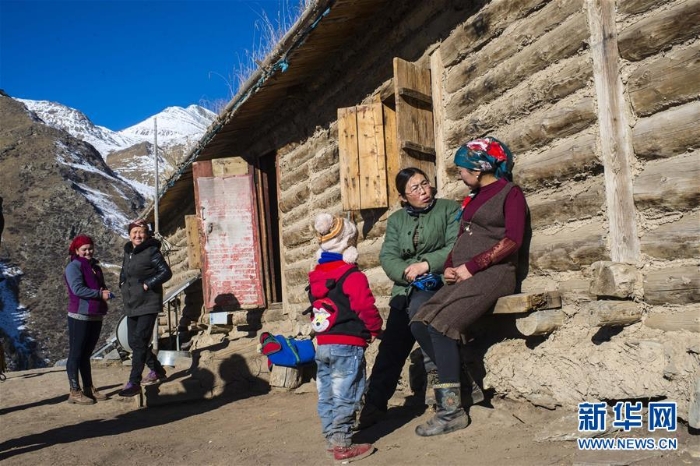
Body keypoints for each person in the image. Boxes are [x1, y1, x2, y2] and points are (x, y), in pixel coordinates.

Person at [410, 137, 528, 437]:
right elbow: (462, 238)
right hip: (463, 275)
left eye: (463, 169)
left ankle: (451, 411)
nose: (460, 175)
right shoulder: (473, 197)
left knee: (442, 326)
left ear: (479, 169)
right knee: (421, 322)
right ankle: (464, 385)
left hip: (494, 274)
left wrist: (471, 266)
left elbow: (512, 240)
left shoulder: (509, 194)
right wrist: (449, 265)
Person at [357, 167, 460, 429]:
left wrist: (426, 265)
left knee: (421, 320)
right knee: (391, 346)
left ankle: (447, 402)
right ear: (404, 197)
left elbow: (454, 246)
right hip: (405, 288)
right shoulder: (396, 220)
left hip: (435, 285)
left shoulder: (448, 210)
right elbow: (388, 256)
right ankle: (374, 405)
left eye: (425, 184)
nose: (423, 191)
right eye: (414, 188)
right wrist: (406, 273)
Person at [308, 212, 383, 463]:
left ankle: (332, 439)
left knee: (327, 393)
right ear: (348, 245)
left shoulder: (316, 278)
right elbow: (365, 307)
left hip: (324, 344)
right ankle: (343, 444)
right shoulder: (352, 276)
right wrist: (374, 328)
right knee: (347, 393)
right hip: (348, 345)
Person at [118, 219, 172, 397]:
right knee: (135, 342)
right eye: (134, 232)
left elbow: (166, 272)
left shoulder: (152, 251)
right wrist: (122, 283)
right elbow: (125, 271)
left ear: (147, 234)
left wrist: (148, 284)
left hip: (148, 302)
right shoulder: (129, 251)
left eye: (141, 232)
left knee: (140, 340)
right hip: (132, 302)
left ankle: (134, 382)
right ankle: (157, 370)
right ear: (129, 235)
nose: (138, 235)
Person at [64, 235, 112, 404]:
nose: (88, 251)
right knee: (76, 353)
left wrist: (105, 292)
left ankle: (88, 387)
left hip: (95, 314)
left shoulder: (95, 268)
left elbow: (100, 286)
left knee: (86, 354)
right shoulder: (73, 267)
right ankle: (74, 391)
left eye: (90, 248)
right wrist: (100, 294)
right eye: (84, 249)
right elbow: (77, 289)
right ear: (76, 251)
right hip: (79, 315)